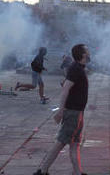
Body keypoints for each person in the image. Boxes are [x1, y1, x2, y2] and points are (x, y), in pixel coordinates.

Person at [33, 44, 90, 175]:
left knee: (74, 143)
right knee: (61, 142)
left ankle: (77, 172)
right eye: (87, 51)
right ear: (82, 54)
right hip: (73, 113)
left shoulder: (78, 68)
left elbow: (65, 84)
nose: (89, 53)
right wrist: (60, 111)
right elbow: (65, 89)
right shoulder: (76, 68)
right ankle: (42, 171)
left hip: (77, 112)